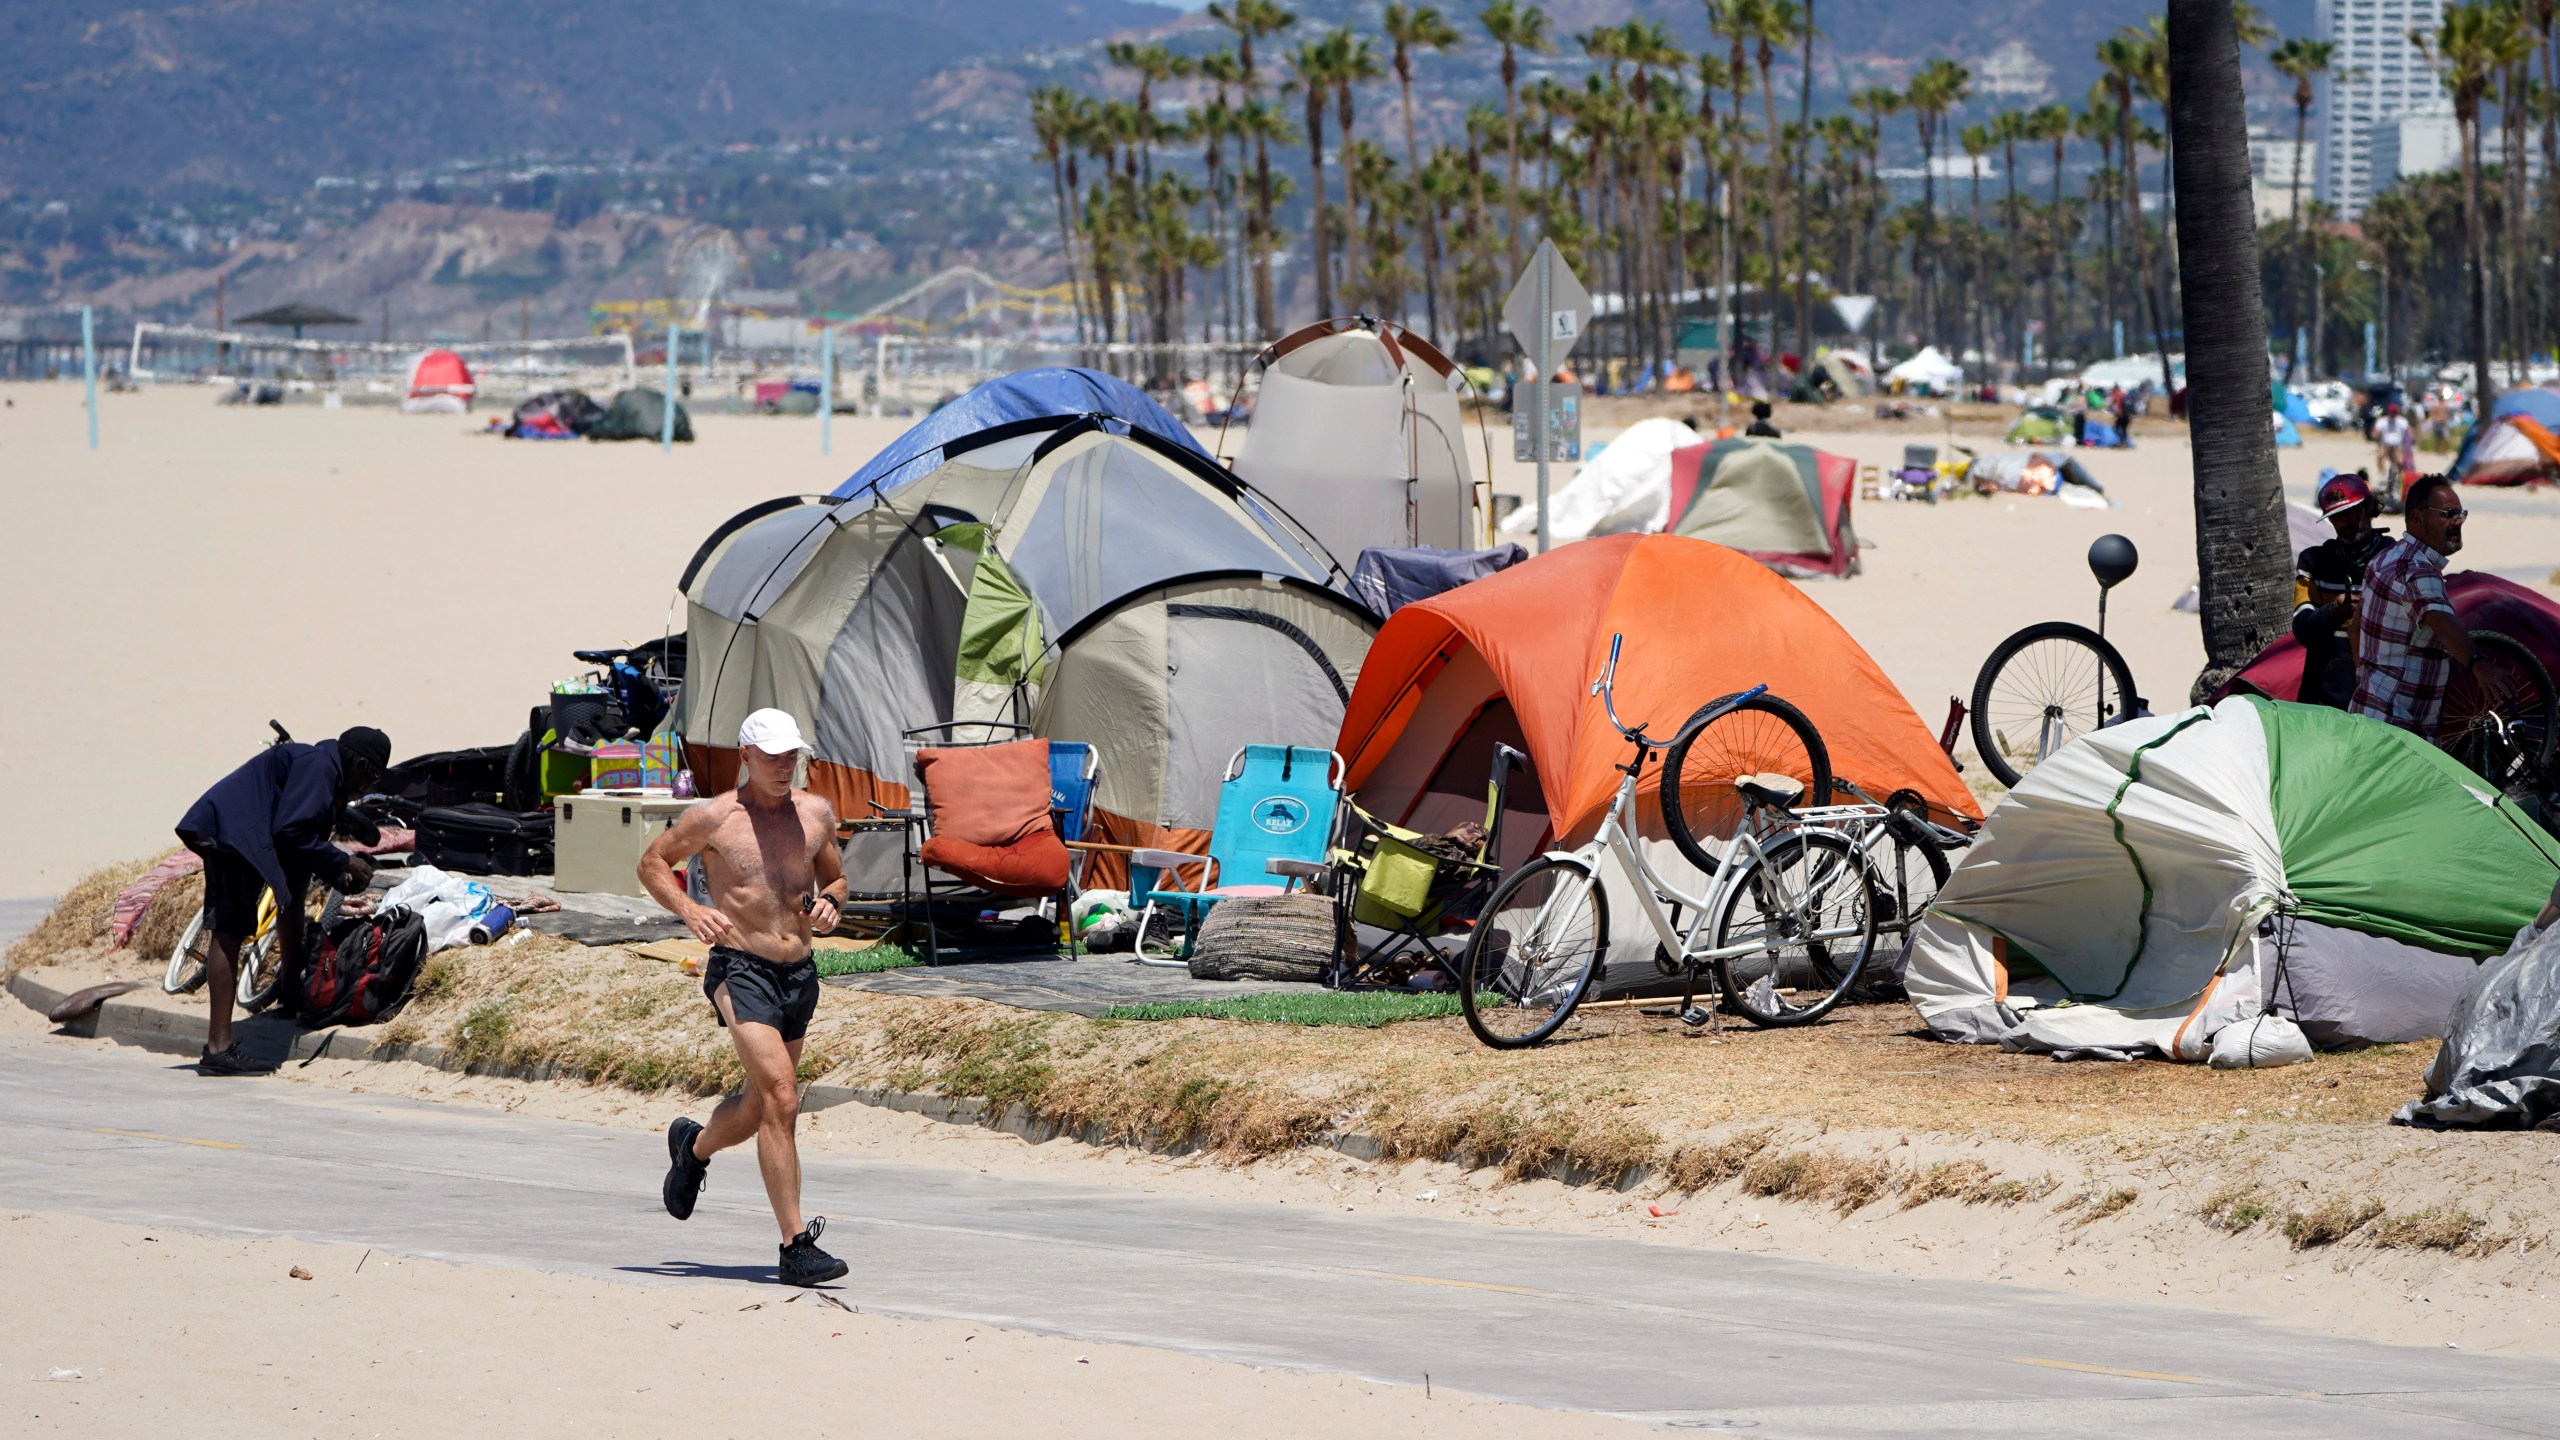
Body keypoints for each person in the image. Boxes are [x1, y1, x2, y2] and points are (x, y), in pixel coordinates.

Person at [643, 708, 852, 1288]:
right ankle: (795, 1247)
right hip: (741, 969)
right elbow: (653, 862)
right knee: (783, 1097)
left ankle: (694, 1148)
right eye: (772, 756)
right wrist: (690, 908)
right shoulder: (713, 817)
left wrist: (832, 903)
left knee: (761, 1106)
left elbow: (835, 879)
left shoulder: (815, 813)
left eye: (792, 756)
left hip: (798, 973)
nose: (785, 767)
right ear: (745, 756)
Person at [174, 726, 390, 1074]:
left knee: (290, 898)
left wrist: (338, 874)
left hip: (243, 832)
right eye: (373, 776)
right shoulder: (320, 768)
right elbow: (290, 832)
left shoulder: (327, 774)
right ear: (360, 764)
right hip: (233, 833)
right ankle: (218, 1048)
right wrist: (344, 861)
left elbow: (301, 851)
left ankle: (289, 994)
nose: (370, 786)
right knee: (228, 931)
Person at [2351, 474, 2508, 737]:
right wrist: (2480, 665)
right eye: (2448, 513)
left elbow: (2356, 629)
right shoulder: (2419, 571)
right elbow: (2442, 623)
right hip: (2400, 730)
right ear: (2417, 517)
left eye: (2460, 513)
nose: (2457, 521)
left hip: (2369, 714)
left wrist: (2370, 682)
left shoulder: (2384, 559)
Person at [2292, 472, 2393, 709]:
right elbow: (2302, 629)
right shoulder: (2313, 562)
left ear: (2369, 507)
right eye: (2337, 516)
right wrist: (2333, 612)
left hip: (2383, 701)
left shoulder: (2395, 558)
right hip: (2324, 700)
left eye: (2352, 512)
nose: (2346, 522)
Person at [2373, 404, 2415, 503]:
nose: (2393, 414)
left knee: (2400, 462)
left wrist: (2412, 438)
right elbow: (2376, 431)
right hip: (2386, 445)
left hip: (2397, 446)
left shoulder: (2402, 421)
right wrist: (2375, 434)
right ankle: (2382, 473)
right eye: (2392, 413)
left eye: (2395, 412)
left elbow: (2409, 430)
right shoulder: (2383, 421)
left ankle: (2398, 479)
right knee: (2379, 457)